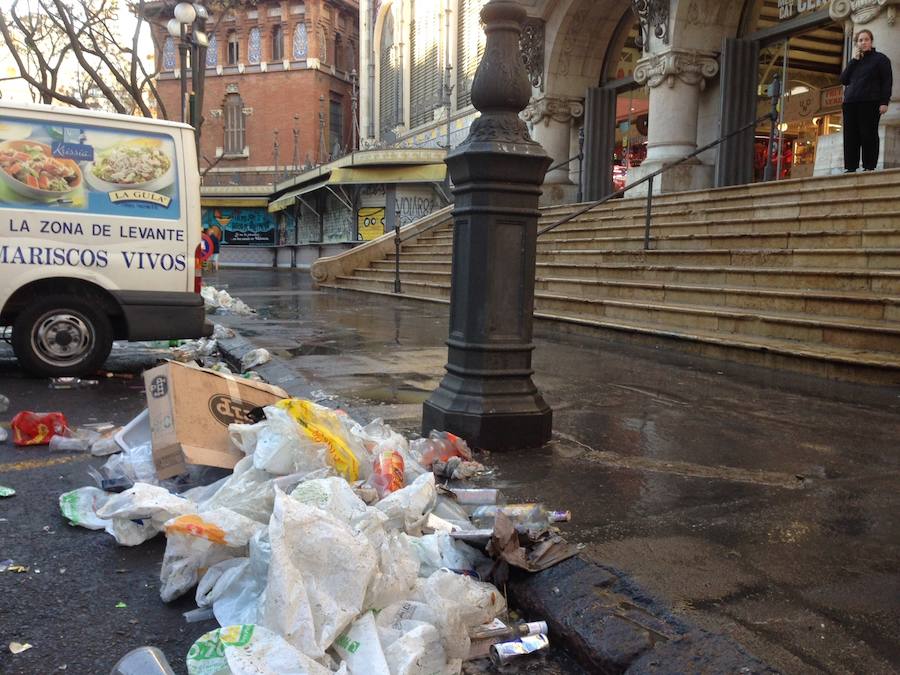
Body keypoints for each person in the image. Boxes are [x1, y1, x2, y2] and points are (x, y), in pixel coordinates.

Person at [840, 29, 892, 172]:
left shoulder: (880, 59)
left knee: (868, 134)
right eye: (860, 40)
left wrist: (884, 102)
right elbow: (843, 80)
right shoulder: (855, 61)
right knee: (850, 136)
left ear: (871, 41)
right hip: (850, 103)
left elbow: (887, 81)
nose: (863, 43)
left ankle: (869, 166)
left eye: (866, 39)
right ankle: (850, 167)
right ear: (857, 43)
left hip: (870, 102)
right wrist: (853, 61)